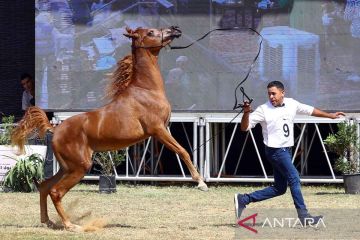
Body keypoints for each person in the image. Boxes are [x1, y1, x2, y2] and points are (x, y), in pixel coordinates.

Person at [234, 81, 345, 225]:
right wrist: (247, 112)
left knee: (280, 189)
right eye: (269, 94)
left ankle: (244, 199)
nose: (271, 97)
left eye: (274, 93)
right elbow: (244, 128)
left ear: (282, 93)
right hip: (275, 151)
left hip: (286, 150)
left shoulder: (291, 103)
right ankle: (304, 217)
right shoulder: (263, 109)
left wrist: (330, 116)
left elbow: (310, 110)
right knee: (294, 178)